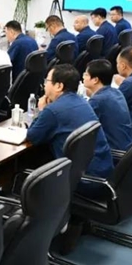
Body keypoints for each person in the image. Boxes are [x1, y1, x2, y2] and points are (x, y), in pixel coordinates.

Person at [27, 65, 114, 197]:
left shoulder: (53, 110)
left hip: (83, 181)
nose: (44, 85)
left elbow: (32, 136)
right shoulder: (82, 102)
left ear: (59, 86)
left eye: (47, 81)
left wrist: (42, 110)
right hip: (102, 173)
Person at [83, 59, 132, 151]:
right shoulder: (116, 92)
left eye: (86, 74)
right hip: (127, 147)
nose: (83, 76)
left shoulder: (97, 101)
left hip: (113, 151)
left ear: (95, 80)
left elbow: (82, 125)